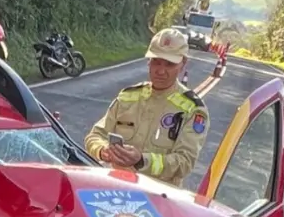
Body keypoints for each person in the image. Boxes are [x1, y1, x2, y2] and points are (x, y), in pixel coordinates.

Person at [85, 27, 208, 185]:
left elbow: (184, 162)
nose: (161, 71)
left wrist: (142, 160)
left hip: (159, 197)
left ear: (183, 63)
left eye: (169, 64)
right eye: (156, 62)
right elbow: (94, 136)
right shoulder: (128, 97)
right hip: (116, 189)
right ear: (148, 61)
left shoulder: (192, 109)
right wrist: (103, 151)